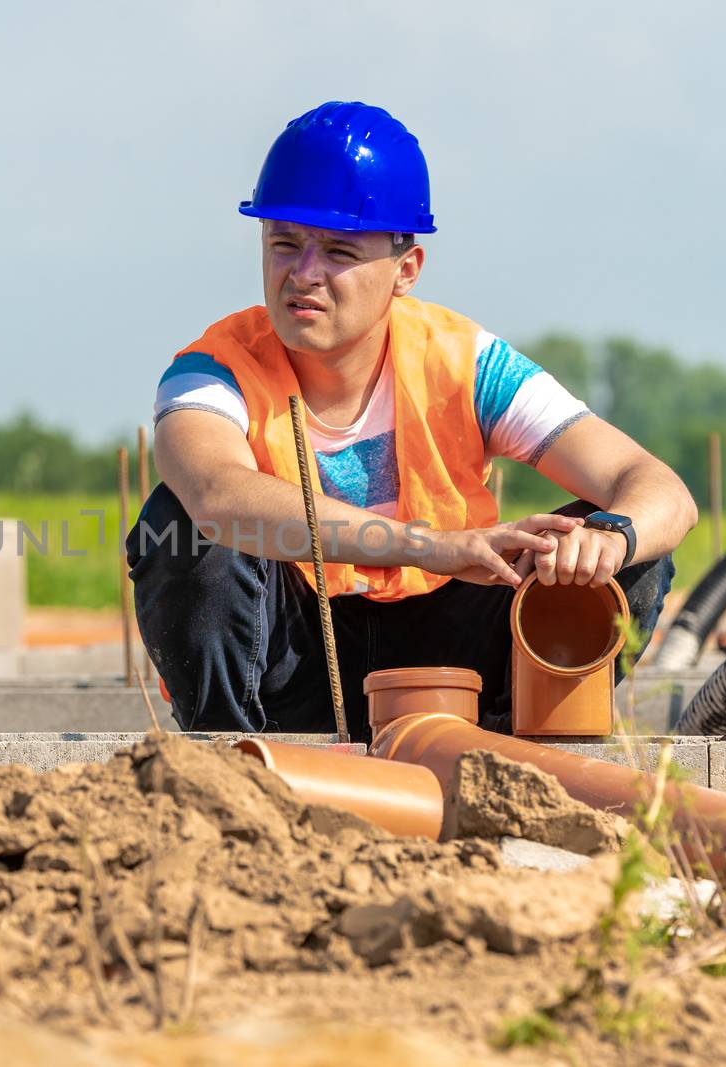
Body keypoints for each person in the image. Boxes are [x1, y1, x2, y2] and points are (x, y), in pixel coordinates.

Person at [129, 101, 696, 739]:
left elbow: (659, 489)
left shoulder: (465, 362)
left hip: (453, 658)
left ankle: (516, 752)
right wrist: (434, 547)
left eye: (339, 252)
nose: (304, 274)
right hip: (293, 657)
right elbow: (215, 494)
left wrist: (609, 541)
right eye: (283, 243)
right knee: (177, 525)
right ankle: (231, 760)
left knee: (626, 558)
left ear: (406, 271)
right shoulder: (210, 373)